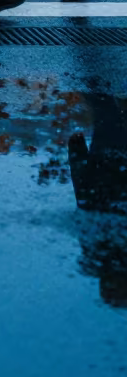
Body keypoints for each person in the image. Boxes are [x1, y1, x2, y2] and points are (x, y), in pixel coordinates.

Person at [68, 89, 127, 309]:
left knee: (107, 112)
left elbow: (86, 203)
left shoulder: (97, 252)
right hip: (105, 164)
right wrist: (76, 154)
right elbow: (85, 201)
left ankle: (92, 63)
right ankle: (91, 64)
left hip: (108, 164)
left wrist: (76, 154)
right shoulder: (95, 253)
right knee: (106, 111)